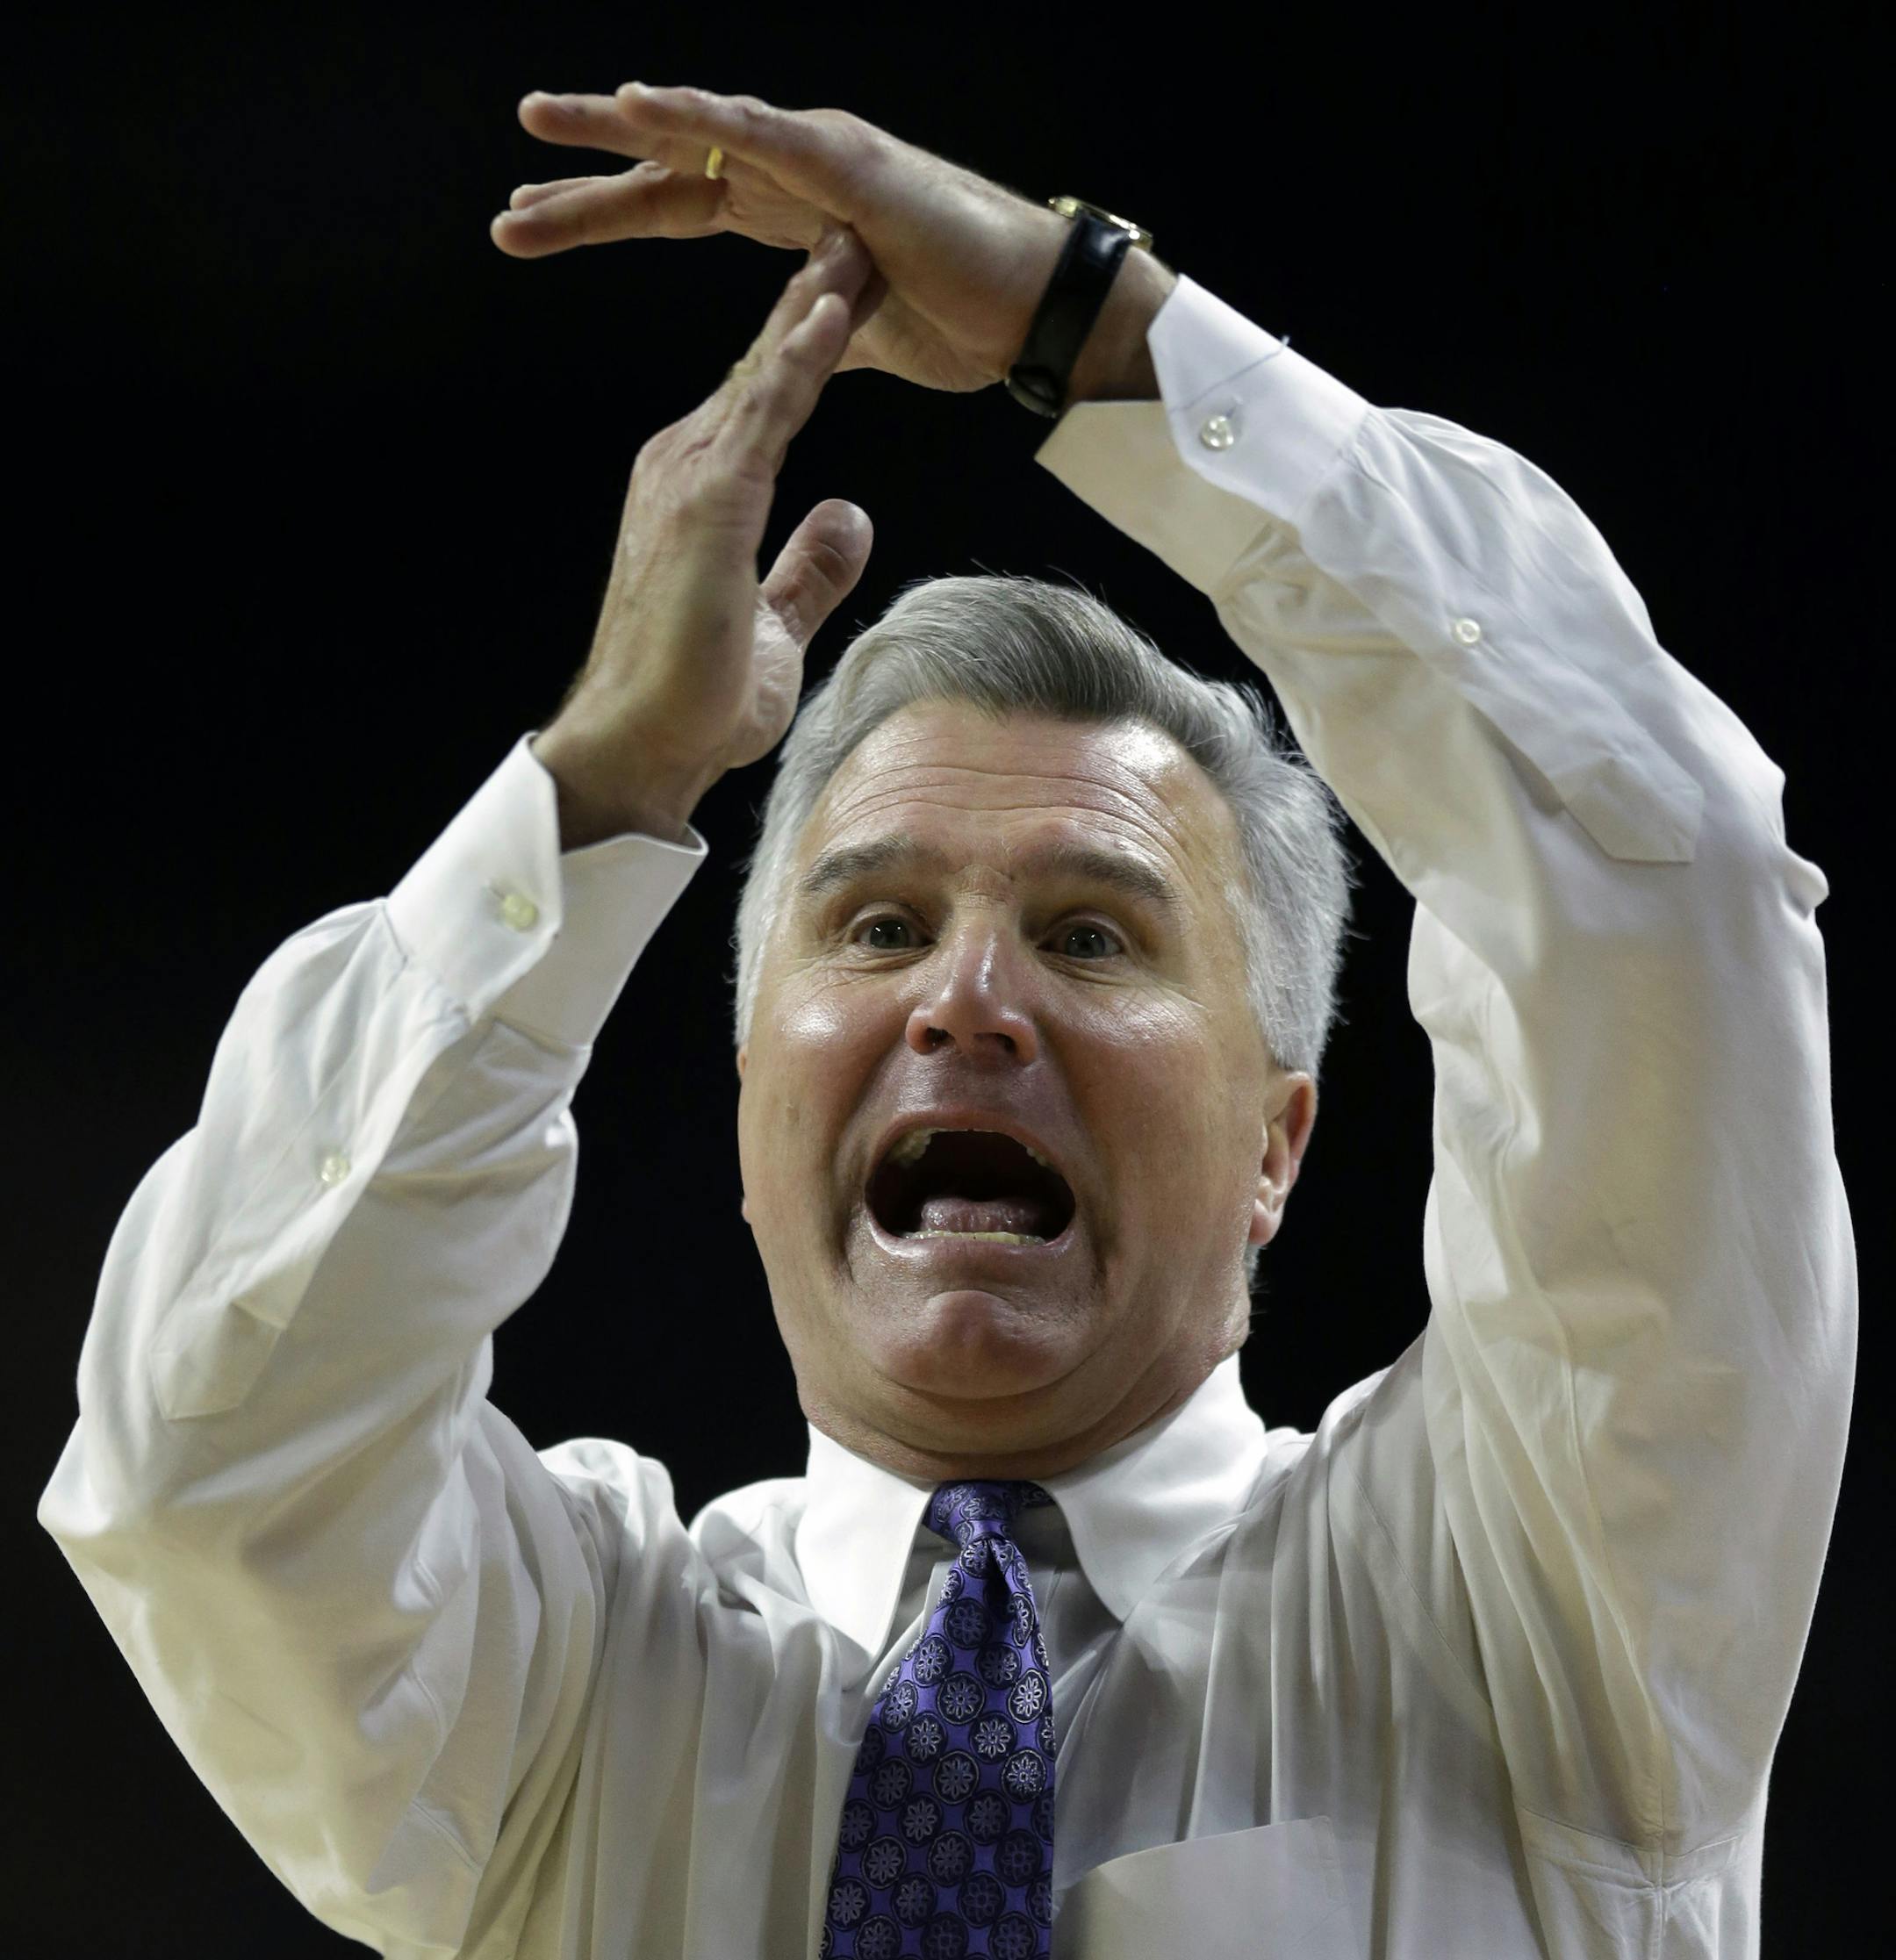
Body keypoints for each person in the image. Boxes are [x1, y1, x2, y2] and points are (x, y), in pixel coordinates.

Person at [39, 81, 1854, 1960]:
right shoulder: (561, 1690)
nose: (968, 1001)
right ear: (750, 1106)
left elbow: (1668, 889)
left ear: (1276, 1143)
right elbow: (206, 1459)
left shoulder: (1538, 1600)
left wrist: (1105, 331)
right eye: (881, 925)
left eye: (1091, 935)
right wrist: (600, 781)